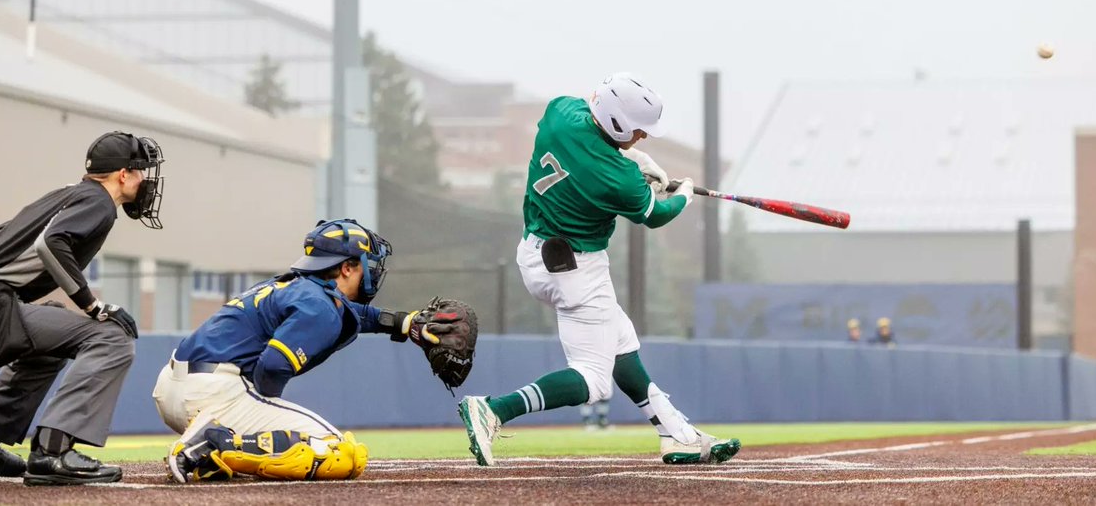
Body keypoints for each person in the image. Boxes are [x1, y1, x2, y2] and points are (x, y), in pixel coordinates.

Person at [457, 73, 739, 466]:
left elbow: (592, 148)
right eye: (638, 130)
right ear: (618, 122)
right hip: (576, 269)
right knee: (593, 380)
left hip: (535, 251)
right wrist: (684, 195)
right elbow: (656, 215)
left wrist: (635, 163)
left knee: (622, 343)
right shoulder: (619, 179)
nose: (642, 137)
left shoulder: (560, 112)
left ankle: (677, 434)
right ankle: (495, 409)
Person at [0, 131, 164, 485]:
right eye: (140, 171)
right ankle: (53, 451)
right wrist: (93, 306)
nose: (145, 179)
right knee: (112, 336)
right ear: (123, 174)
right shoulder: (99, 201)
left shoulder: (69, 194)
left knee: (51, 343)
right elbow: (51, 243)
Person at [154, 218, 454, 483]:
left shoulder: (294, 287)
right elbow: (272, 367)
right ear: (347, 268)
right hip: (215, 395)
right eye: (367, 264)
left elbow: (349, 314)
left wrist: (404, 323)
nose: (371, 272)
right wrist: (264, 410)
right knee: (341, 452)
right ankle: (212, 442)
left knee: (286, 442)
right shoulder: (320, 305)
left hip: (175, 387)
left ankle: (215, 450)